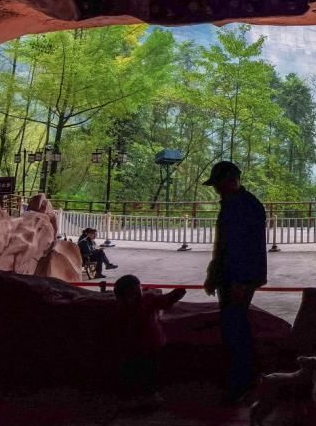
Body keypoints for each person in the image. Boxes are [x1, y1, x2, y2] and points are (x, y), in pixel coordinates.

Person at [202, 160, 268, 405]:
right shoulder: (239, 204)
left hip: (238, 277)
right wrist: (214, 274)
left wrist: (240, 280)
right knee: (233, 327)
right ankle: (241, 380)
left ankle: (242, 382)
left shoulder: (244, 207)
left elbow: (246, 248)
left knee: (236, 328)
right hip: (231, 276)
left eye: (217, 184)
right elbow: (225, 246)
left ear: (231, 181)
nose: (216, 189)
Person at [113, 275, 186, 408]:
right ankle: (146, 396)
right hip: (147, 345)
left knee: (136, 371)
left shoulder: (121, 307)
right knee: (147, 371)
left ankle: (134, 397)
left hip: (134, 346)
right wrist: (177, 293)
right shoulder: (146, 300)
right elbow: (164, 301)